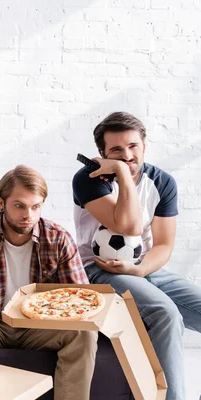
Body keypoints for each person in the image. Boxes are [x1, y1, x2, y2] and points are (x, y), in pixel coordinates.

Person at [72, 111, 201, 400]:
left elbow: (164, 245)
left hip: (144, 268)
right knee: (165, 313)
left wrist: (139, 270)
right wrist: (122, 174)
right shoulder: (87, 179)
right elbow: (127, 225)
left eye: (133, 147)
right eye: (116, 150)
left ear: (144, 146)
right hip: (97, 270)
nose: (127, 155)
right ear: (102, 154)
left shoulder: (162, 182)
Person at [0, 165, 98, 400]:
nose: (28, 215)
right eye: (19, 206)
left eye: (35, 206)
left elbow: (82, 297)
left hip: (40, 326)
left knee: (84, 332)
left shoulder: (59, 238)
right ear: (1, 203)